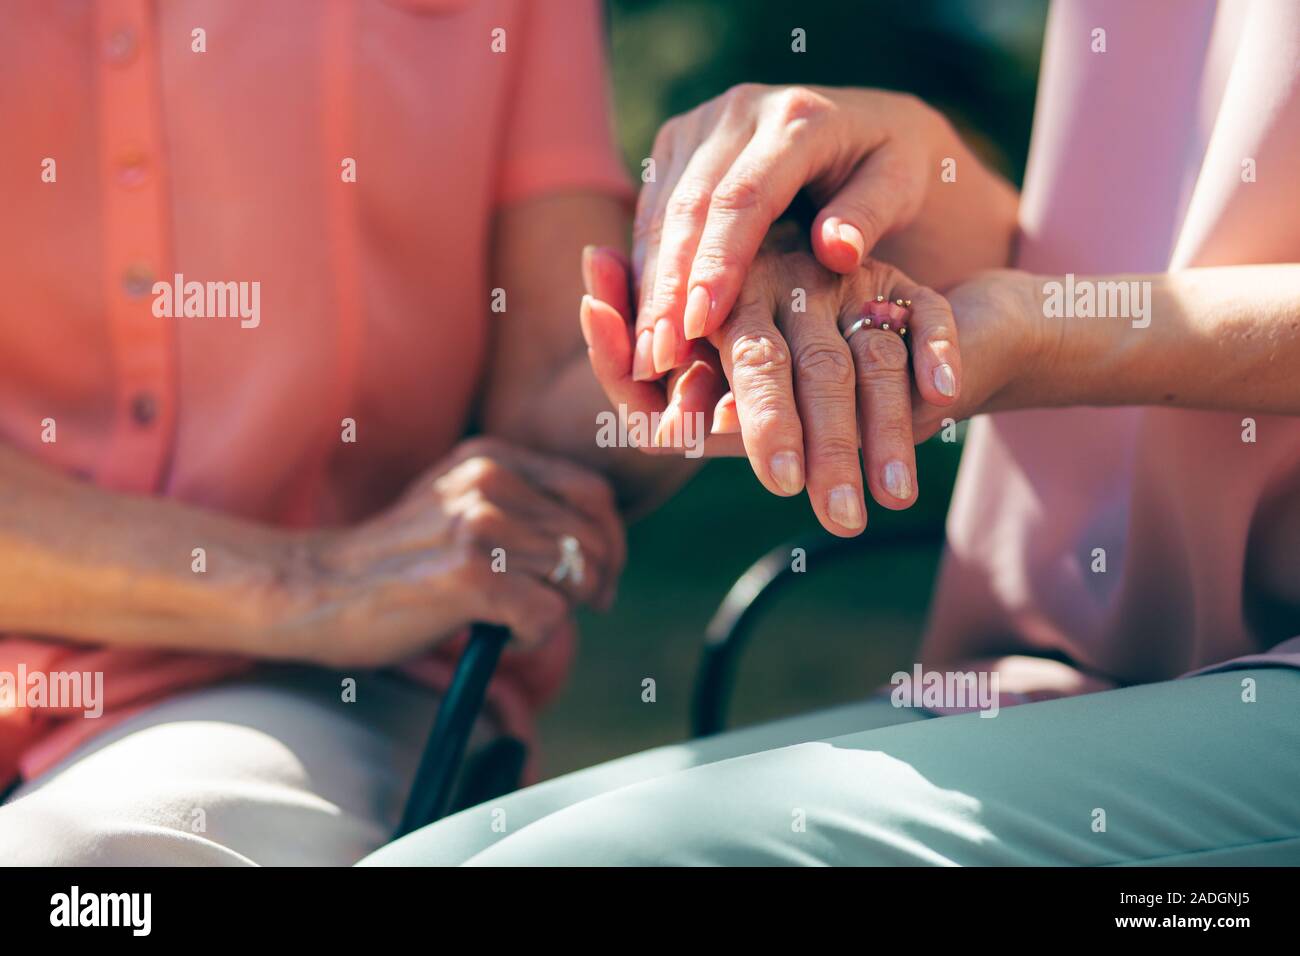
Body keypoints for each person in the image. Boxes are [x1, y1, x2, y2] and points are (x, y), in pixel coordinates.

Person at [363, 0, 1300, 865]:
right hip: (1096, 673)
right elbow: (1155, 228)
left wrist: (1046, 334)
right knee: (438, 858)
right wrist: (896, 200)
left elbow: (1077, 309)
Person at [0, 0, 689, 866]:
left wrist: (710, 321)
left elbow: (562, 364)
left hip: (309, 692)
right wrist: (309, 580)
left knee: (86, 867)